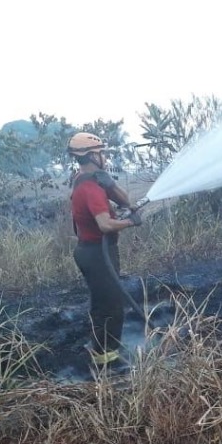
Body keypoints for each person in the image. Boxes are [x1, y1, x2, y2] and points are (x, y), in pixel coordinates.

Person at [66, 132, 143, 367]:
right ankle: (106, 359)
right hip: (96, 254)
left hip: (95, 251)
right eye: (101, 153)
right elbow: (105, 224)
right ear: (91, 155)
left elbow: (126, 202)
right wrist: (131, 222)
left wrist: (111, 184)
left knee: (105, 301)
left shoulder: (94, 179)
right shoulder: (89, 188)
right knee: (110, 305)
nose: (105, 157)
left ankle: (104, 352)